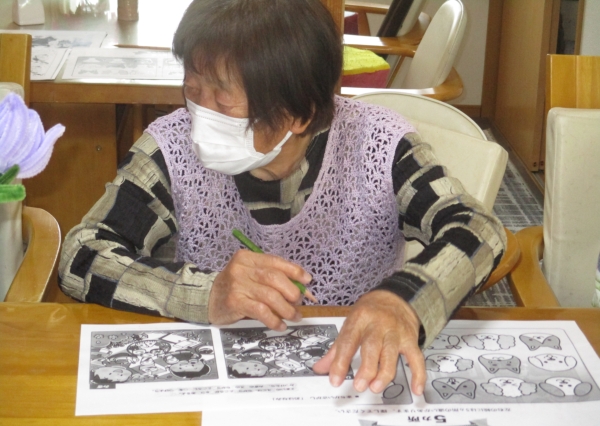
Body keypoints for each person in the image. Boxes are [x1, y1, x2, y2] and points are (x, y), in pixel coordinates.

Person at [59, 0, 505, 397]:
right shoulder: (172, 147)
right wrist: (206, 294)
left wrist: (402, 301)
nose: (200, 116)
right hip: (221, 387)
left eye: (223, 101)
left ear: (299, 113)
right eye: (193, 91)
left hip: (352, 381)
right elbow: (81, 254)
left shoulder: (377, 146)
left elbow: (479, 229)